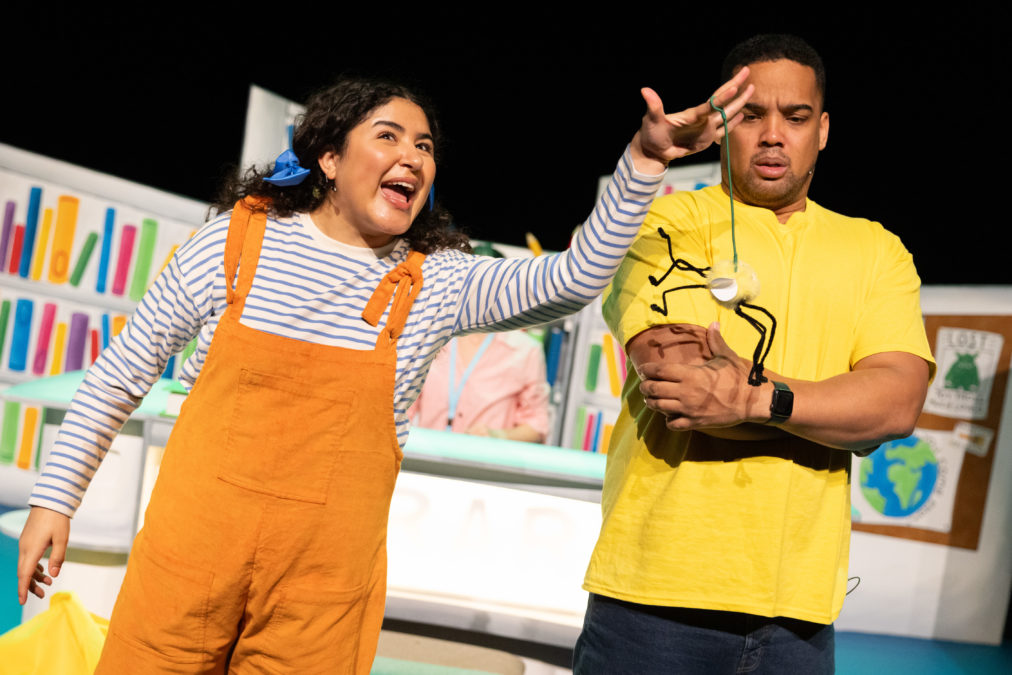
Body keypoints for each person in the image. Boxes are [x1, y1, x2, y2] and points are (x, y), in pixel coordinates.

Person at [16, 72, 754, 673]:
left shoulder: (437, 282)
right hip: (186, 569)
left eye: (425, 145)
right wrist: (54, 501)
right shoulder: (232, 245)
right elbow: (120, 372)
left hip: (319, 599)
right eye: (389, 135)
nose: (414, 156)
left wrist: (645, 161)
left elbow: (572, 279)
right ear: (329, 158)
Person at [574, 35, 935, 675]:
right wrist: (836, 411)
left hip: (800, 617)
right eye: (750, 115)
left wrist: (757, 397)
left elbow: (896, 405)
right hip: (654, 605)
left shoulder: (877, 250)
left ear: (822, 131)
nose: (773, 135)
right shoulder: (661, 224)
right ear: (720, 126)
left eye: (795, 117)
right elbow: (685, 390)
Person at [410, 330, 551, 443]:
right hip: (426, 458)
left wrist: (499, 436)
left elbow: (537, 425)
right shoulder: (429, 338)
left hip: (487, 462)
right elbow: (403, 410)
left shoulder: (526, 350)